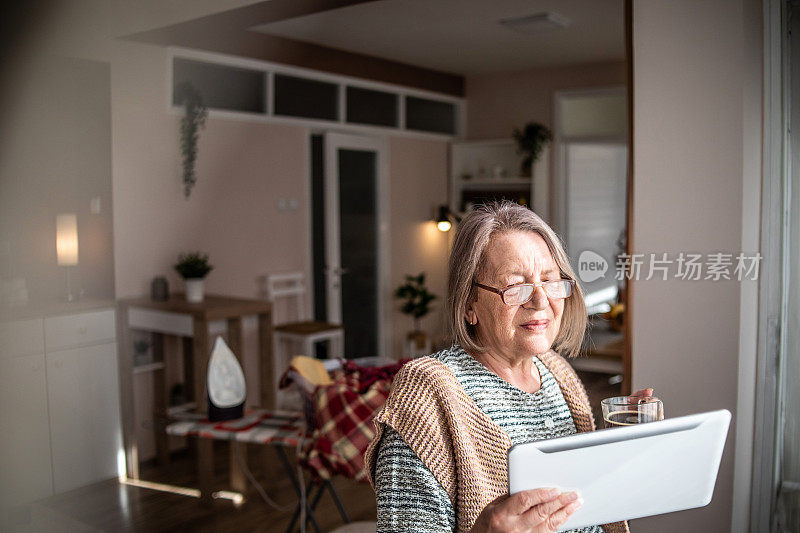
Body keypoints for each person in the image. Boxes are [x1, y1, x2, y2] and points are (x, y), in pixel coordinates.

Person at [365, 201, 647, 533]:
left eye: (550, 280)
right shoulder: (426, 397)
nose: (540, 301)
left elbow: (580, 506)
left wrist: (617, 452)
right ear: (470, 302)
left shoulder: (558, 373)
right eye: (516, 286)